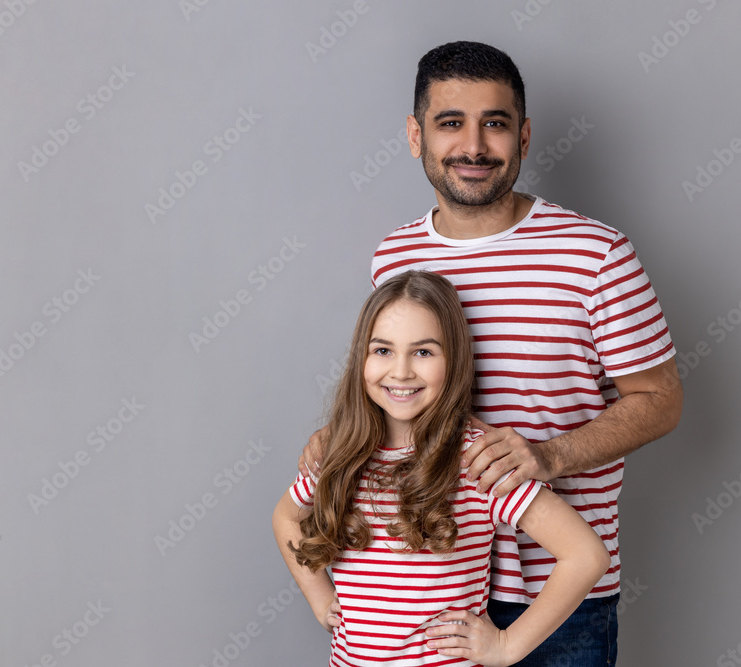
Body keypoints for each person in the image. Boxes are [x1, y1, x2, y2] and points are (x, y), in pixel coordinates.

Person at [302, 41, 683, 665]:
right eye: (450, 122)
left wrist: (551, 455)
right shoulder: (394, 257)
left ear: (524, 136)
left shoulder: (597, 256)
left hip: (553, 597)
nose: (473, 146)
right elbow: (396, 392)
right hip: (426, 591)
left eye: (495, 124)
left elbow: (662, 401)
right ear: (414, 134)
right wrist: (338, 439)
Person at [273, 270, 611, 667]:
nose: (400, 372)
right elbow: (286, 517)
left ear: (454, 360)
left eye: (423, 352)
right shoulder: (338, 452)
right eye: (382, 350)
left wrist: (506, 646)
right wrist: (320, 598)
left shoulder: (476, 460)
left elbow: (585, 555)